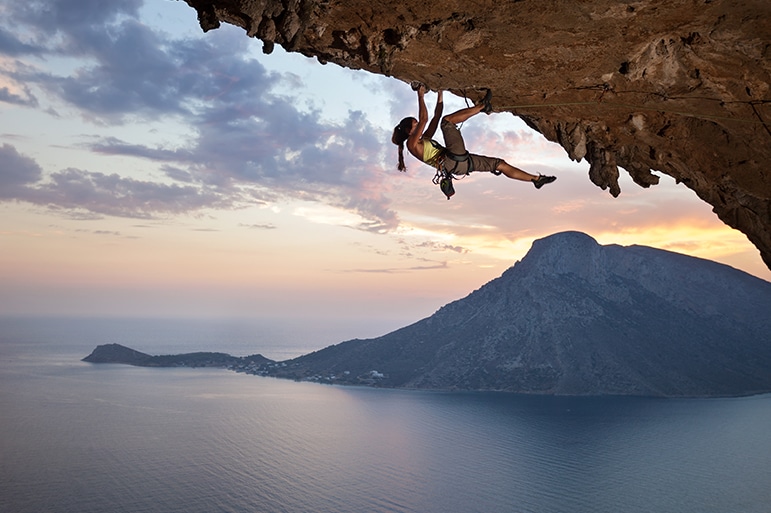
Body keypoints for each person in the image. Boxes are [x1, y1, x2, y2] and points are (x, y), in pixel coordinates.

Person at [391, 85, 556, 190]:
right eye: (415, 124)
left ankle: (536, 179)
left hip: (460, 165)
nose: (419, 123)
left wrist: (440, 92)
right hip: (451, 160)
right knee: (447, 123)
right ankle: (483, 106)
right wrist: (420, 96)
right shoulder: (412, 145)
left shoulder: (424, 140)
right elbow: (426, 119)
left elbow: (435, 116)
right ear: (408, 131)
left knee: (500, 164)